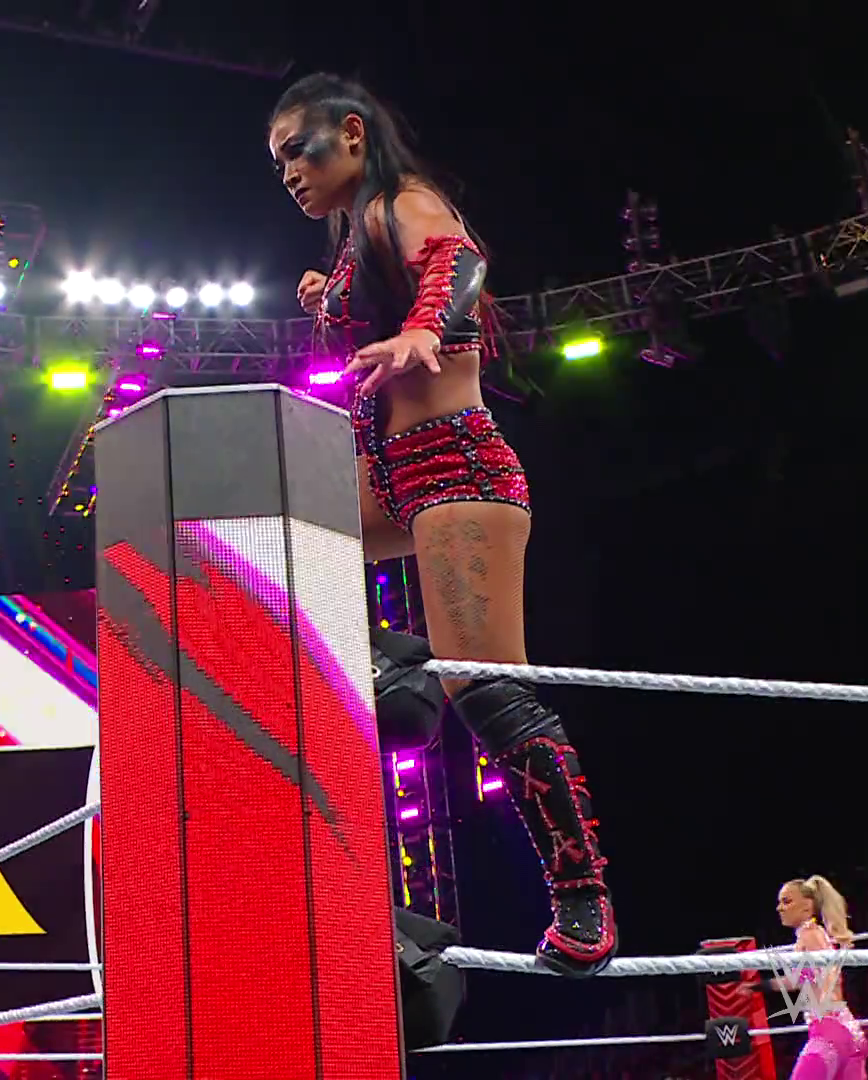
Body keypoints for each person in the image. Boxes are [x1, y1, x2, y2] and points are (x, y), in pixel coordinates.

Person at [267, 74, 616, 976]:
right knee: (279, 546)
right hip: (384, 475)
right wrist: (330, 300)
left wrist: (427, 328)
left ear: (351, 134)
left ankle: (582, 897)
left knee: (487, 690)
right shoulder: (358, 234)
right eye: (278, 164)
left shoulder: (401, 202)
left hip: (454, 468)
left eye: (297, 152)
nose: (289, 175)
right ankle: (395, 664)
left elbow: (456, 262)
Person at [774, 875, 868, 1079]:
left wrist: (756, 985)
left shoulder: (808, 935)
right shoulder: (819, 935)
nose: (779, 908)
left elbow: (813, 977)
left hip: (829, 1035)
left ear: (807, 906)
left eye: (786, 901)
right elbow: (802, 978)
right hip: (850, 1034)